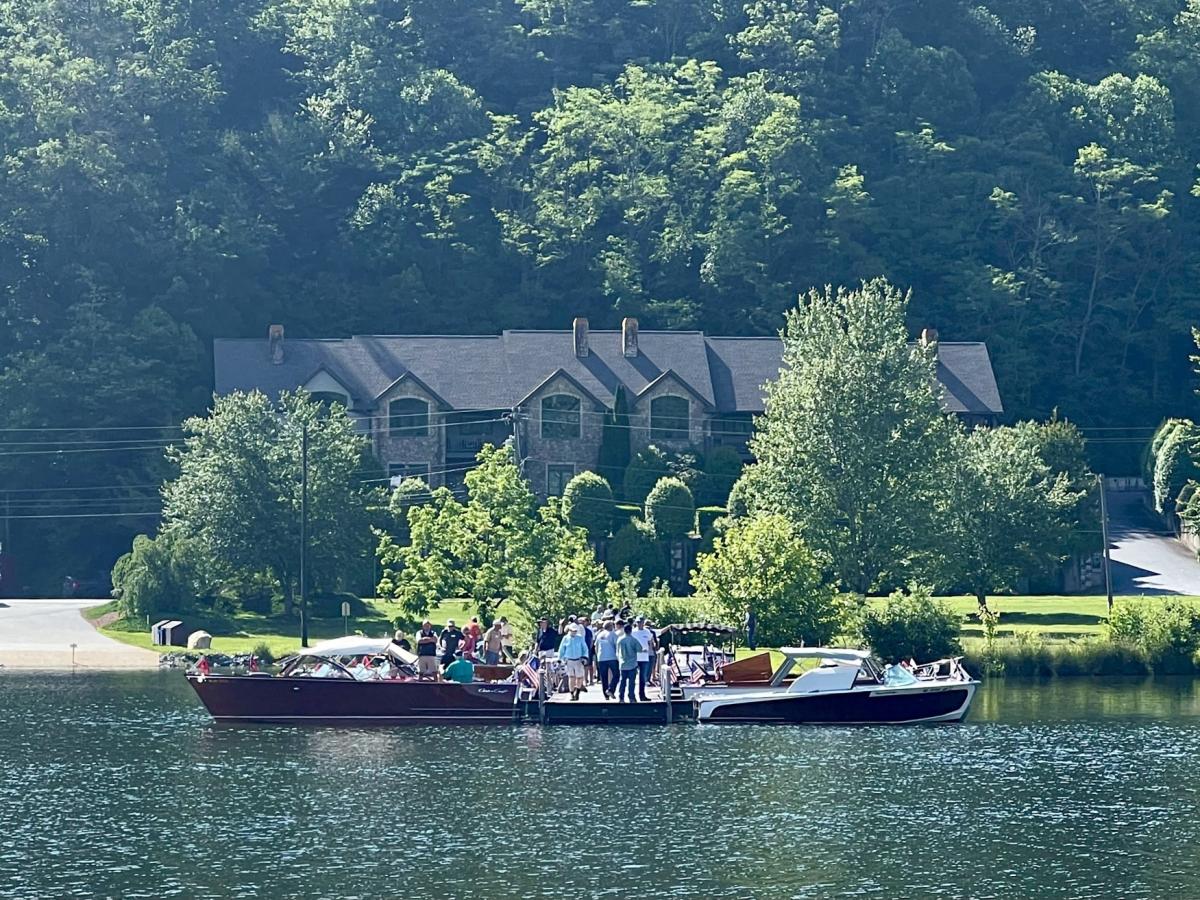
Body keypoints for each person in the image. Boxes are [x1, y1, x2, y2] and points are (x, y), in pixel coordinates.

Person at [558, 623, 589, 701]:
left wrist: (585, 657)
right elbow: (561, 649)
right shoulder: (565, 638)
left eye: (575, 631)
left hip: (579, 660)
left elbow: (585, 648)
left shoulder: (580, 638)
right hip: (569, 660)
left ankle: (577, 692)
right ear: (569, 630)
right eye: (572, 631)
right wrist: (560, 658)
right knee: (571, 677)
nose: (574, 632)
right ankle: (571, 694)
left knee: (579, 677)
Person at [632, 616, 657, 701]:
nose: (639, 624)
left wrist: (650, 651)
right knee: (632, 677)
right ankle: (632, 696)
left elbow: (650, 642)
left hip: (644, 658)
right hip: (635, 658)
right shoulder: (633, 632)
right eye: (638, 622)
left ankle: (642, 696)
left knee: (643, 678)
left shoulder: (647, 632)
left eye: (641, 622)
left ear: (643, 622)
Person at [616, 623, 641, 703]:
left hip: (622, 664)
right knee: (631, 682)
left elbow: (617, 651)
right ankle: (631, 697)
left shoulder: (620, 639)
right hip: (632, 664)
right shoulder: (633, 640)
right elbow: (639, 649)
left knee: (622, 681)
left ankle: (621, 698)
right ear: (631, 630)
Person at [595, 621, 620, 700]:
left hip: (601, 658)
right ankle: (611, 689)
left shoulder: (599, 635)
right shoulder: (613, 634)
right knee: (616, 675)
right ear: (610, 626)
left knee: (604, 677)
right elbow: (617, 646)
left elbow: (596, 646)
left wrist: (598, 656)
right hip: (612, 657)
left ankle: (606, 695)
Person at [580, 615, 596, 685]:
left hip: (588, 650)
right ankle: (585, 680)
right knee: (583, 666)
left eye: (584, 622)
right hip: (581, 650)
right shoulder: (579, 631)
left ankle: (591, 680)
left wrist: (589, 648)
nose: (583, 623)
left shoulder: (589, 631)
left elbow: (592, 640)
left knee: (589, 665)